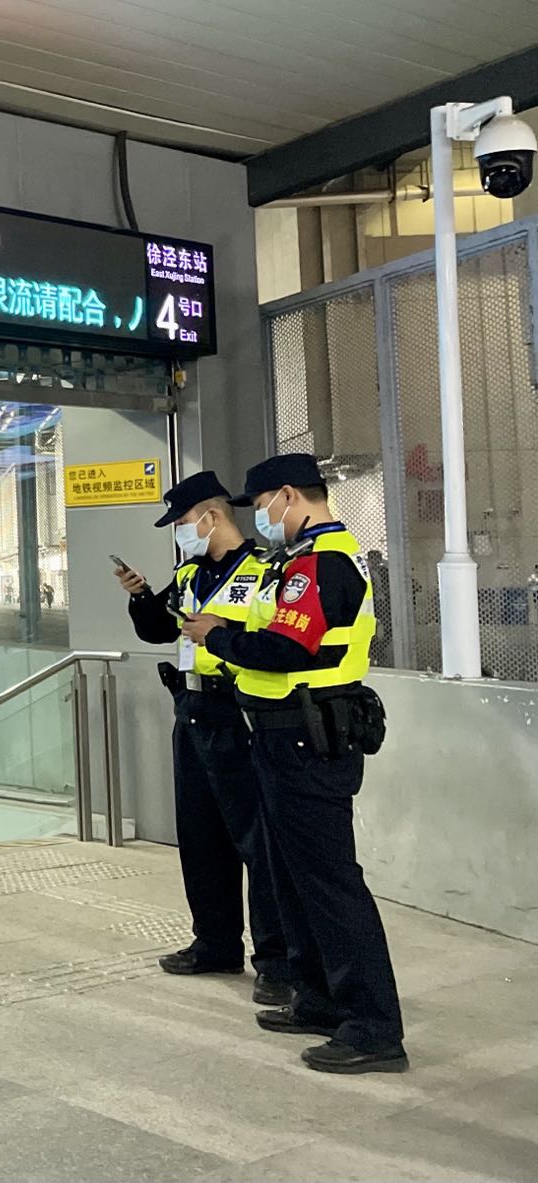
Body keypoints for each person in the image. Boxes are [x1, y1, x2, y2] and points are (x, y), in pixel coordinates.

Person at [190, 453, 405, 1076]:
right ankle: (319, 1000)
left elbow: (286, 648)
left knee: (330, 884)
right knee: (291, 877)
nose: (261, 518)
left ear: (289, 496)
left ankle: (373, 1028)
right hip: (281, 738)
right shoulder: (298, 560)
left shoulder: (320, 563)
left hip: (307, 742)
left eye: (262, 507)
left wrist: (216, 636)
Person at [117, 471, 290, 1006]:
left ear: (212, 517)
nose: (180, 533)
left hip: (240, 713)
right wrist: (142, 597)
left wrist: (222, 632)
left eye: (184, 522)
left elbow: (277, 639)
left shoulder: (264, 571)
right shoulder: (189, 573)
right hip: (192, 711)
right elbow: (159, 630)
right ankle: (215, 943)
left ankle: (277, 962)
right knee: (200, 834)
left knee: (256, 840)